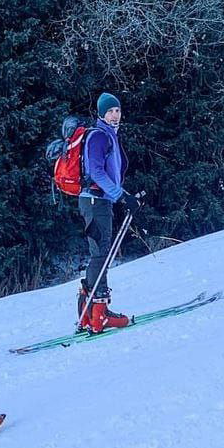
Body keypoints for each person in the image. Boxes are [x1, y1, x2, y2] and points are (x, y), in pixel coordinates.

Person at [77, 93, 140, 333]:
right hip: (95, 201)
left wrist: (124, 195)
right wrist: (120, 195)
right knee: (101, 253)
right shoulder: (99, 136)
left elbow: (110, 173)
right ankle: (99, 314)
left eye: (117, 110)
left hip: (99, 200)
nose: (115, 115)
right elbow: (96, 172)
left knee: (100, 253)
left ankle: (88, 314)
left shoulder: (109, 135)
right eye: (110, 111)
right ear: (101, 114)